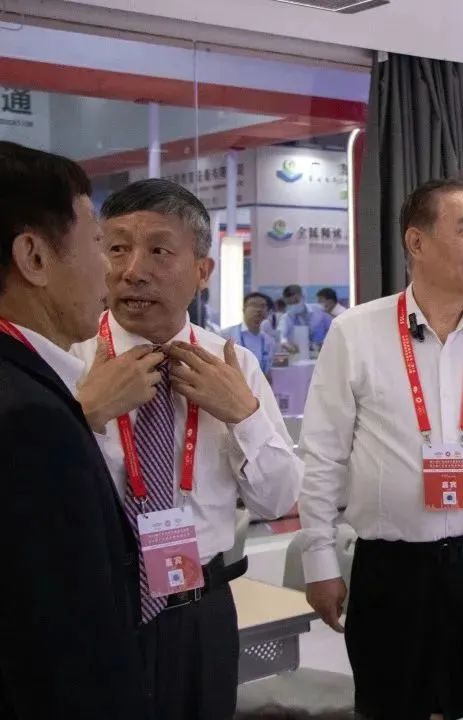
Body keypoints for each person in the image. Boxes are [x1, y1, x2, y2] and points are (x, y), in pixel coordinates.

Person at [298, 177, 463, 720]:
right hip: (392, 573)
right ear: (416, 242)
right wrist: (318, 559)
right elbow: (322, 454)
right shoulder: (355, 333)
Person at [69, 179, 303, 720]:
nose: (133, 271)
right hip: (91, 610)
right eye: (117, 248)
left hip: (201, 612)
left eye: (159, 251)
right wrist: (86, 417)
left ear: (202, 270)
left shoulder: (233, 364)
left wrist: (243, 415)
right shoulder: (68, 358)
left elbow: (278, 500)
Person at [0, 142, 150, 719]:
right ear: (34, 257)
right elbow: (62, 647)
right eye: (98, 243)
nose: (115, 271)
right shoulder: (30, 418)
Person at [220, 291, 278, 375]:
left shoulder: (269, 341)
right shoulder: (225, 335)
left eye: (263, 306)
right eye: (254, 305)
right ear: (244, 309)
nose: (259, 310)